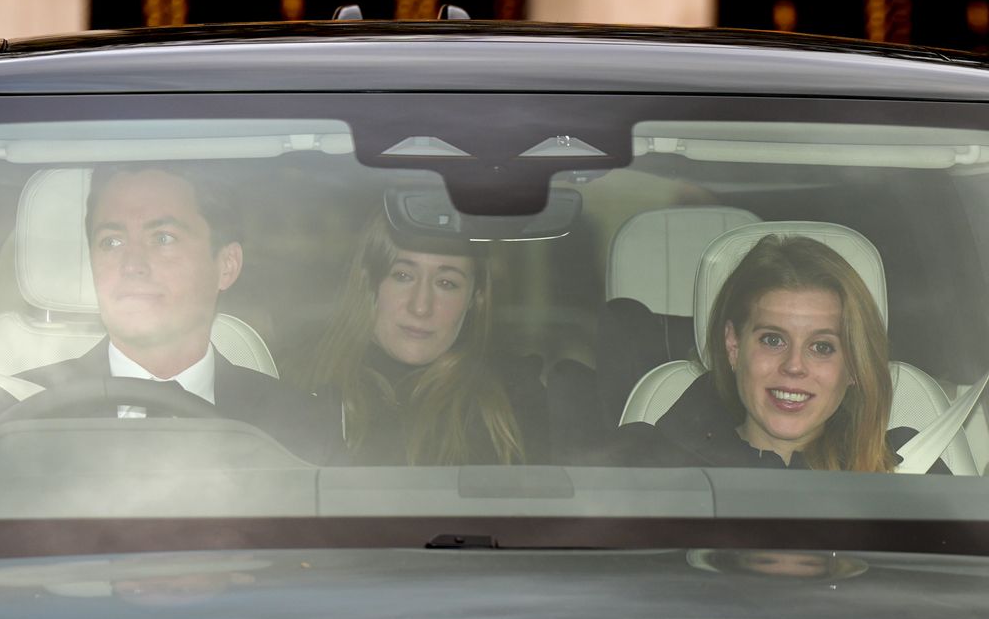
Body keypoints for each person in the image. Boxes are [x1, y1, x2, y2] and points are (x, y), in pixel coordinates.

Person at [0, 162, 335, 460]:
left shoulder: (301, 427)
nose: (133, 265)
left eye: (163, 239)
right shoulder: (10, 416)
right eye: (111, 241)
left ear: (226, 265)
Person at [619, 234, 948, 473]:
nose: (794, 366)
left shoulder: (909, 471)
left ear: (853, 367)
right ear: (733, 346)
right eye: (773, 340)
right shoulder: (644, 466)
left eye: (822, 347)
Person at [300, 214, 547, 466]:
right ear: (369, 282)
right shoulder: (299, 388)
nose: (421, 306)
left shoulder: (512, 404)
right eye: (403, 276)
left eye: (446, 283)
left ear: (475, 297)